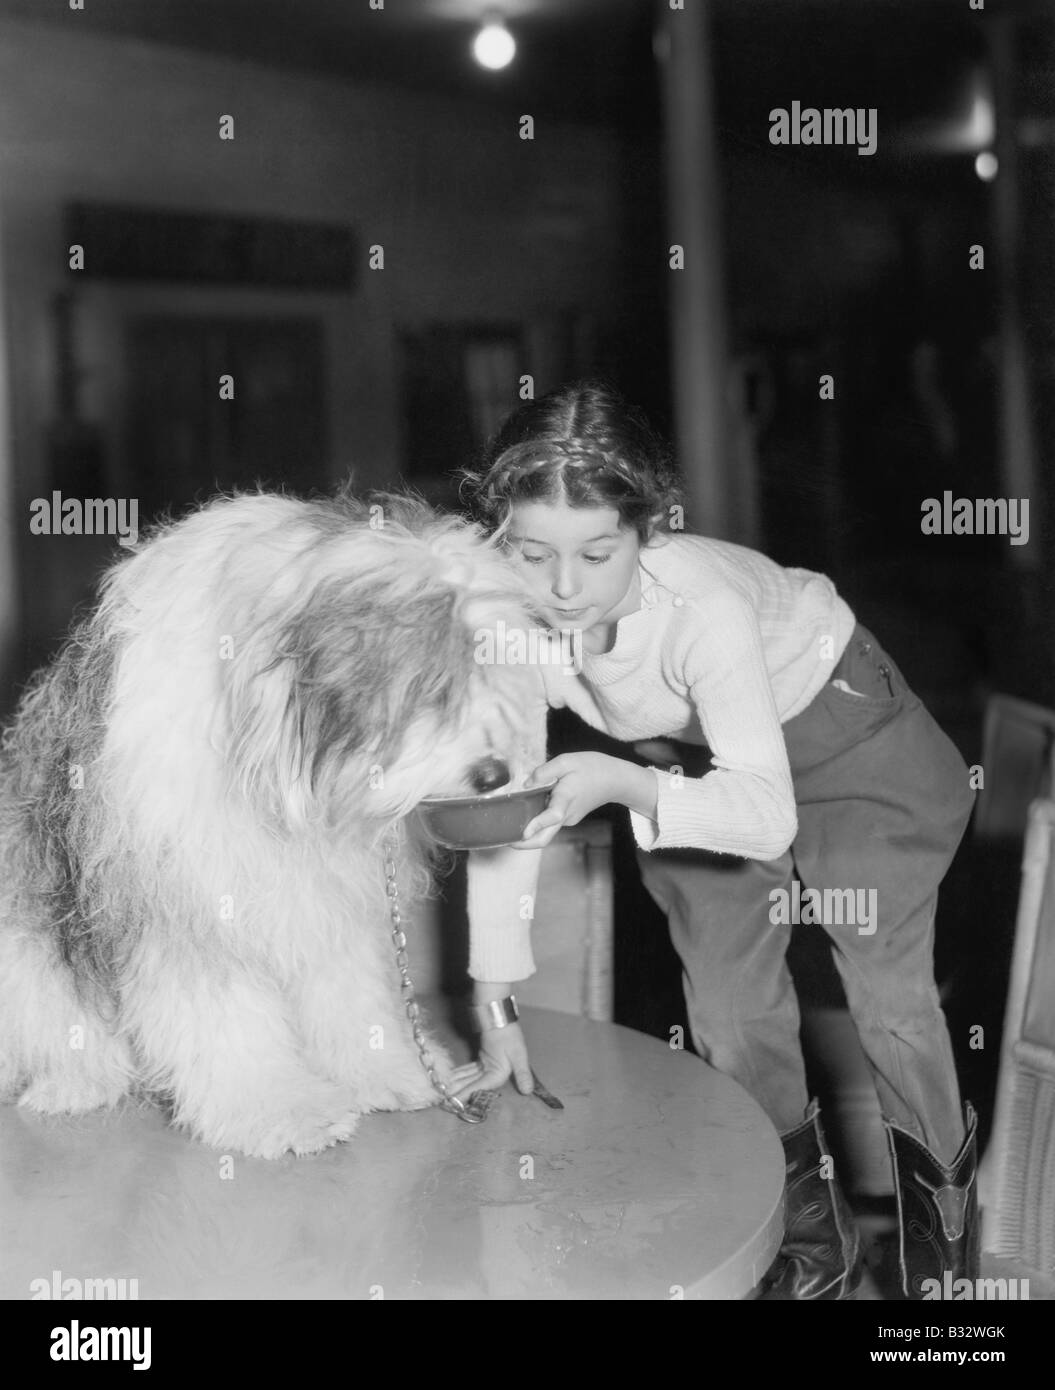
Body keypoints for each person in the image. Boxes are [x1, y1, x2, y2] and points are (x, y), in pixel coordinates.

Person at [449, 379, 978, 1301]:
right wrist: (493, 1004)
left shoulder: (702, 608)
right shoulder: (507, 623)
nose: (564, 589)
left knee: (885, 994)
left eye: (597, 553)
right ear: (501, 540)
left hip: (839, 727)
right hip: (697, 757)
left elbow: (764, 812)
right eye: (533, 553)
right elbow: (512, 810)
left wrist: (626, 785)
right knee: (728, 1004)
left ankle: (940, 1258)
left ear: (648, 533)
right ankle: (808, 1244)